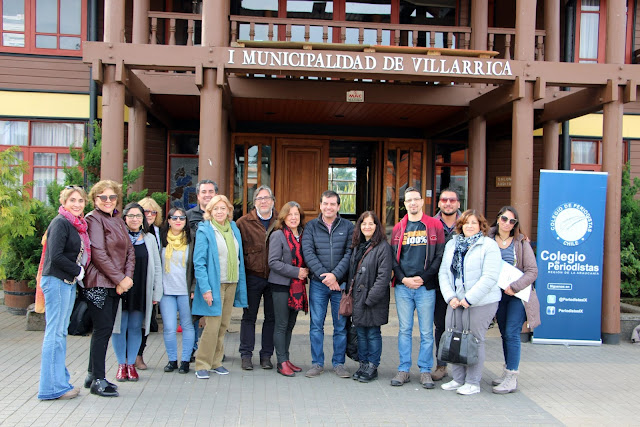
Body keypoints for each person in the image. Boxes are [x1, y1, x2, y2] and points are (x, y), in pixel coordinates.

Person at [438, 209, 502, 395]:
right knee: (454, 337)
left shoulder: (488, 245)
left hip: (481, 302)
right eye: (466, 223)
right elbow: (444, 272)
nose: (470, 226)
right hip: (455, 301)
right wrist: (451, 297)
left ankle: (473, 382)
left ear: (481, 226)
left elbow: (490, 276)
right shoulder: (452, 245)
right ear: (461, 225)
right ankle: (458, 379)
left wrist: (469, 299)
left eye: (474, 223)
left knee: (473, 340)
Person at [38, 186, 90, 400]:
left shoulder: (75, 225)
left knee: (60, 333)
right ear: (64, 202)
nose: (77, 204)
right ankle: (50, 388)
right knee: (55, 334)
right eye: (72, 200)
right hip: (57, 281)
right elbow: (56, 256)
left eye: (80, 200)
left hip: (66, 282)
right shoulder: (60, 223)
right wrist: (78, 270)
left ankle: (60, 382)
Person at [83, 180, 135, 397]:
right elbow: (98, 253)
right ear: (95, 199)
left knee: (102, 330)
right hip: (99, 283)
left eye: (111, 197)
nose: (107, 201)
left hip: (115, 284)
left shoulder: (117, 219)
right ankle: (98, 380)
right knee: (103, 330)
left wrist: (126, 278)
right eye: (102, 197)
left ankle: (91, 374)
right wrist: (120, 279)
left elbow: (130, 251)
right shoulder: (93, 219)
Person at [389, 187, 445, 389]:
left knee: (426, 332)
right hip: (404, 288)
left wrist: (423, 278)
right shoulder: (398, 228)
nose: (412, 203)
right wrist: (403, 279)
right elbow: (393, 259)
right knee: (404, 330)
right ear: (404, 204)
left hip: (425, 287)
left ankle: (425, 371)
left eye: (415, 199)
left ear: (422, 202)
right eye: (408, 200)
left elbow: (440, 255)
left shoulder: (434, 225)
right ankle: (404, 369)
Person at [192, 195, 248, 379]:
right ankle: (202, 363)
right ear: (209, 211)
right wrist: (205, 289)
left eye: (223, 208)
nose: (219, 212)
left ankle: (216, 362)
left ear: (229, 211)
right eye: (215, 209)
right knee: (212, 326)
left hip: (231, 282)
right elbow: (199, 262)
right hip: (214, 285)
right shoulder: (205, 230)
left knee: (223, 325)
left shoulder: (232, 229)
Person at [301, 190, 354, 379]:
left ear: (339, 206)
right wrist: (326, 277)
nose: (329, 207)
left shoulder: (348, 227)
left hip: (340, 285)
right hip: (318, 284)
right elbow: (308, 253)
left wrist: (336, 276)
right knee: (316, 325)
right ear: (321, 205)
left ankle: (339, 363)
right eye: (325, 203)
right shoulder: (311, 227)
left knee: (340, 326)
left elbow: (350, 253)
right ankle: (317, 363)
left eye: (333, 204)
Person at [488, 206, 540, 394]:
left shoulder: (521, 242)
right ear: (498, 219)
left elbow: (532, 271)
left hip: (517, 295)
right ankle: (507, 371)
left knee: (512, 332)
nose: (507, 223)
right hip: (497, 295)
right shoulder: (488, 240)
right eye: (504, 219)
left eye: (512, 221)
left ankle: (512, 376)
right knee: (504, 333)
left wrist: (515, 287)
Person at [111, 203, 162, 382]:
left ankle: (131, 364)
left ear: (143, 219)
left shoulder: (148, 238)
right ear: (124, 218)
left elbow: (157, 266)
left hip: (141, 289)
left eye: (138, 216)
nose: (135, 219)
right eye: (131, 216)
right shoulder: (117, 236)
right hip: (120, 289)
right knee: (119, 327)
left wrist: (157, 293)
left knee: (135, 328)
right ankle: (121, 365)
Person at [348, 211, 392, 383]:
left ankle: (373, 365)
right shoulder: (358, 246)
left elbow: (384, 276)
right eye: (364, 223)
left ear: (377, 226)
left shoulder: (383, 247)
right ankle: (363, 363)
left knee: (373, 333)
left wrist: (370, 298)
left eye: (371, 224)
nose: (367, 227)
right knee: (361, 332)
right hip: (359, 299)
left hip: (373, 300)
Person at [237, 186, 277, 370]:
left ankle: (266, 356)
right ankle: (246, 355)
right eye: (260, 198)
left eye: (267, 198)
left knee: (271, 318)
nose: (263, 201)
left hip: (275, 277)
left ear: (272, 201)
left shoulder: (280, 221)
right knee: (249, 317)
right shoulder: (243, 222)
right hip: (252, 277)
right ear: (254, 202)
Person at [267, 201, 309, 377]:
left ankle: (286, 358)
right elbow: (273, 262)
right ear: (284, 217)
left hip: (297, 287)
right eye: (290, 214)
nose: (293, 217)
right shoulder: (278, 235)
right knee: (282, 324)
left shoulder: (303, 234)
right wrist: (296, 271)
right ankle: (281, 361)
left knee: (290, 325)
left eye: (296, 214)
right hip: (281, 285)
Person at [159, 207, 196, 375]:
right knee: (169, 327)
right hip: (166, 290)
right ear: (168, 220)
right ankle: (172, 360)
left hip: (185, 290)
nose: (178, 221)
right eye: (174, 218)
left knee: (188, 326)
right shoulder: (161, 239)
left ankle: (186, 361)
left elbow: (196, 267)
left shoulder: (191, 240)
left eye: (182, 218)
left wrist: (194, 288)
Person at [432, 188, 462, 381]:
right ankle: (441, 365)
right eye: (444, 200)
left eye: (452, 200)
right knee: (441, 326)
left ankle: (462, 367)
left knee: (462, 326)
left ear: (458, 203)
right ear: (439, 203)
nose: (448, 203)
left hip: (463, 286)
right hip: (437, 284)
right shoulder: (431, 224)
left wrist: (519, 235)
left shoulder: (468, 222)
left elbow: (490, 233)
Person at [186, 179, 218, 361]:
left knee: (214, 315)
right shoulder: (188, 216)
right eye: (204, 192)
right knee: (193, 314)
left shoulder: (222, 215)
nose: (207, 195)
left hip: (216, 271)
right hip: (195, 270)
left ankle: (212, 351)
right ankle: (190, 349)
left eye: (211, 191)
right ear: (198, 195)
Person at [136, 196, 164, 370]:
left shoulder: (158, 231)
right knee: (135, 321)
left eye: (153, 212)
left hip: (152, 281)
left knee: (146, 321)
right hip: (136, 282)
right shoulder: (133, 231)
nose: (150, 215)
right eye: (146, 211)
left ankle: (139, 354)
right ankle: (131, 356)